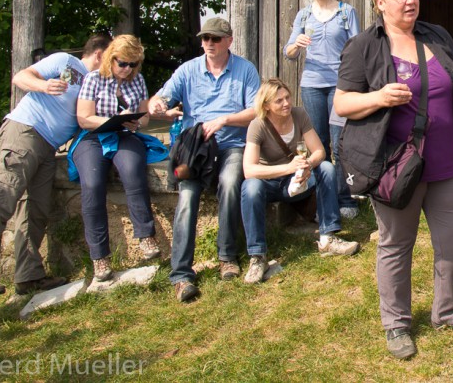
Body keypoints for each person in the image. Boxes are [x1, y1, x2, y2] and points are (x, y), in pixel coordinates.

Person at [334, 0, 453, 360]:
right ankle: (396, 324)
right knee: (396, 244)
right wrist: (379, 97)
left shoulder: (437, 36)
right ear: (380, 3)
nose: (410, 0)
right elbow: (342, 102)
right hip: (395, 167)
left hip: (447, 162)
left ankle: (449, 311)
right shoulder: (365, 46)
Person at [0, 33, 111, 295]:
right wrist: (44, 86)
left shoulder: (95, 82)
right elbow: (20, 77)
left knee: (35, 210)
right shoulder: (65, 61)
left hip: (49, 147)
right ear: (99, 54)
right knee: (3, 194)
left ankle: (29, 276)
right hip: (26, 132)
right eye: (111, 56)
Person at [148, 17, 260, 303]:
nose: (209, 43)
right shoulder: (187, 70)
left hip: (232, 144)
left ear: (229, 41)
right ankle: (181, 274)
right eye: (205, 38)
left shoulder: (245, 69)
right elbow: (161, 98)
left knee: (231, 182)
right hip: (196, 148)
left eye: (215, 38)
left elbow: (256, 111)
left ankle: (227, 256)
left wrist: (225, 120)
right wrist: (157, 104)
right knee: (186, 199)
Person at [240, 78, 360, 283]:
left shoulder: (299, 114)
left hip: (296, 179)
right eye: (279, 101)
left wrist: (307, 166)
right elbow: (249, 169)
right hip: (268, 182)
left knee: (326, 168)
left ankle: (328, 236)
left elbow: (319, 152)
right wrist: (288, 167)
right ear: (266, 105)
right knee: (250, 187)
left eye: (287, 97)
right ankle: (257, 256)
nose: (286, 103)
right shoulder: (257, 125)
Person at [71, 34, 169, 282]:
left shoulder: (138, 80)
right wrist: (110, 120)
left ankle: (146, 236)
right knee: (92, 186)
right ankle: (99, 257)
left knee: (133, 174)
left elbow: (146, 117)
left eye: (133, 64)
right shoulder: (94, 78)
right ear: (111, 59)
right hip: (93, 136)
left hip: (125, 134)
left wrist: (135, 120)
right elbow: (84, 117)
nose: (127, 69)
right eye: (123, 63)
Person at [284, 0, 361, 219]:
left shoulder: (345, 12)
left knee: (341, 145)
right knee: (319, 146)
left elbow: (357, 48)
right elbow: (289, 53)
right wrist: (297, 45)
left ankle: (345, 199)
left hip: (341, 87)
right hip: (312, 86)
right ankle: (322, 201)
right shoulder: (303, 15)